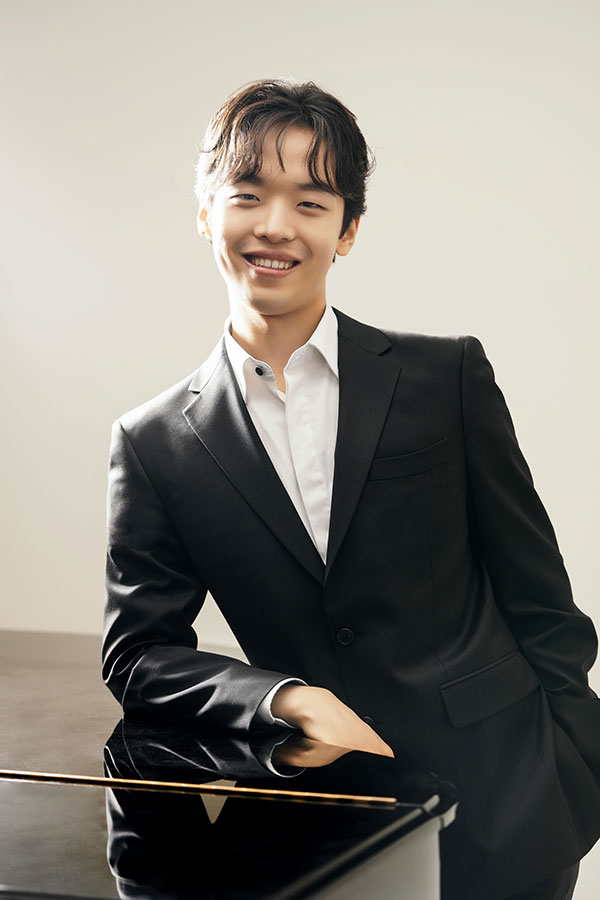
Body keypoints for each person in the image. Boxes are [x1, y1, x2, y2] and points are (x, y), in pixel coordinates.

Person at [102, 78, 600, 900]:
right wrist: (282, 698)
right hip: (319, 827)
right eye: (248, 194)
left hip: (510, 808)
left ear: (348, 230)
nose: (275, 226)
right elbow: (137, 654)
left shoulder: (447, 376)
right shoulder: (154, 442)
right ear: (206, 214)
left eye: (311, 202)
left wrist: (573, 771)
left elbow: (540, 597)